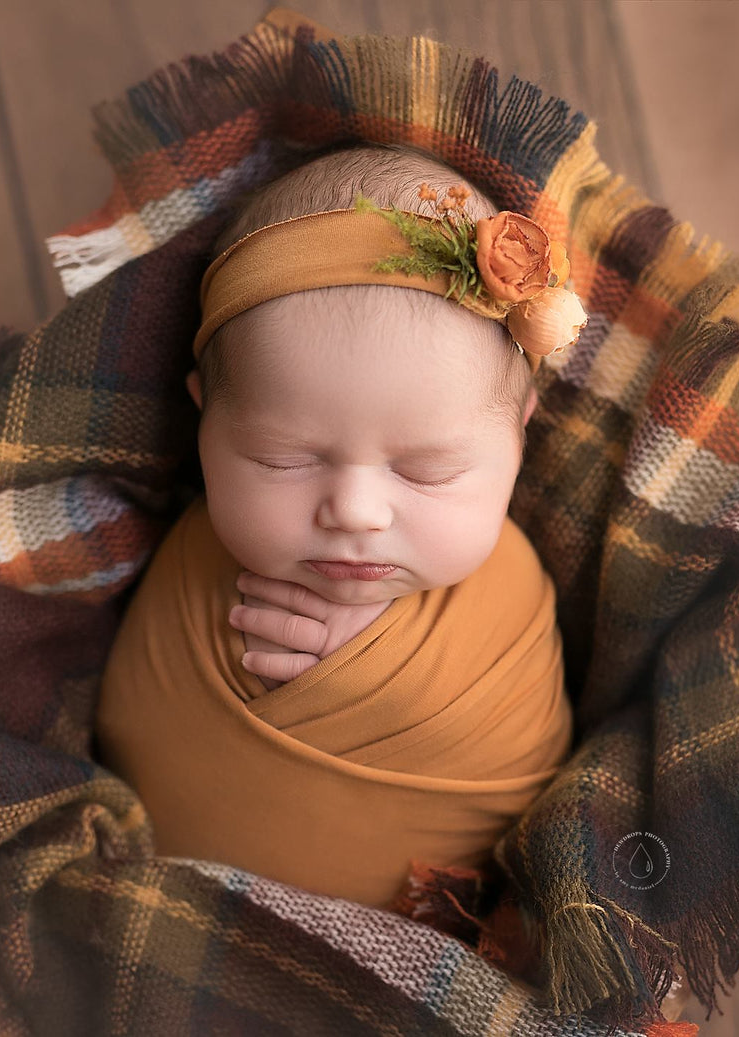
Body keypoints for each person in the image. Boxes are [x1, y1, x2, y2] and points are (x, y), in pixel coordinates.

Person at [93, 142, 587, 910]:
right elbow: (130, 715)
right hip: (148, 900)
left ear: (519, 433)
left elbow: (531, 763)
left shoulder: (511, 599)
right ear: (203, 419)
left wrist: (383, 683)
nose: (355, 511)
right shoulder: (196, 554)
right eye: (283, 459)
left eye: (425, 470)